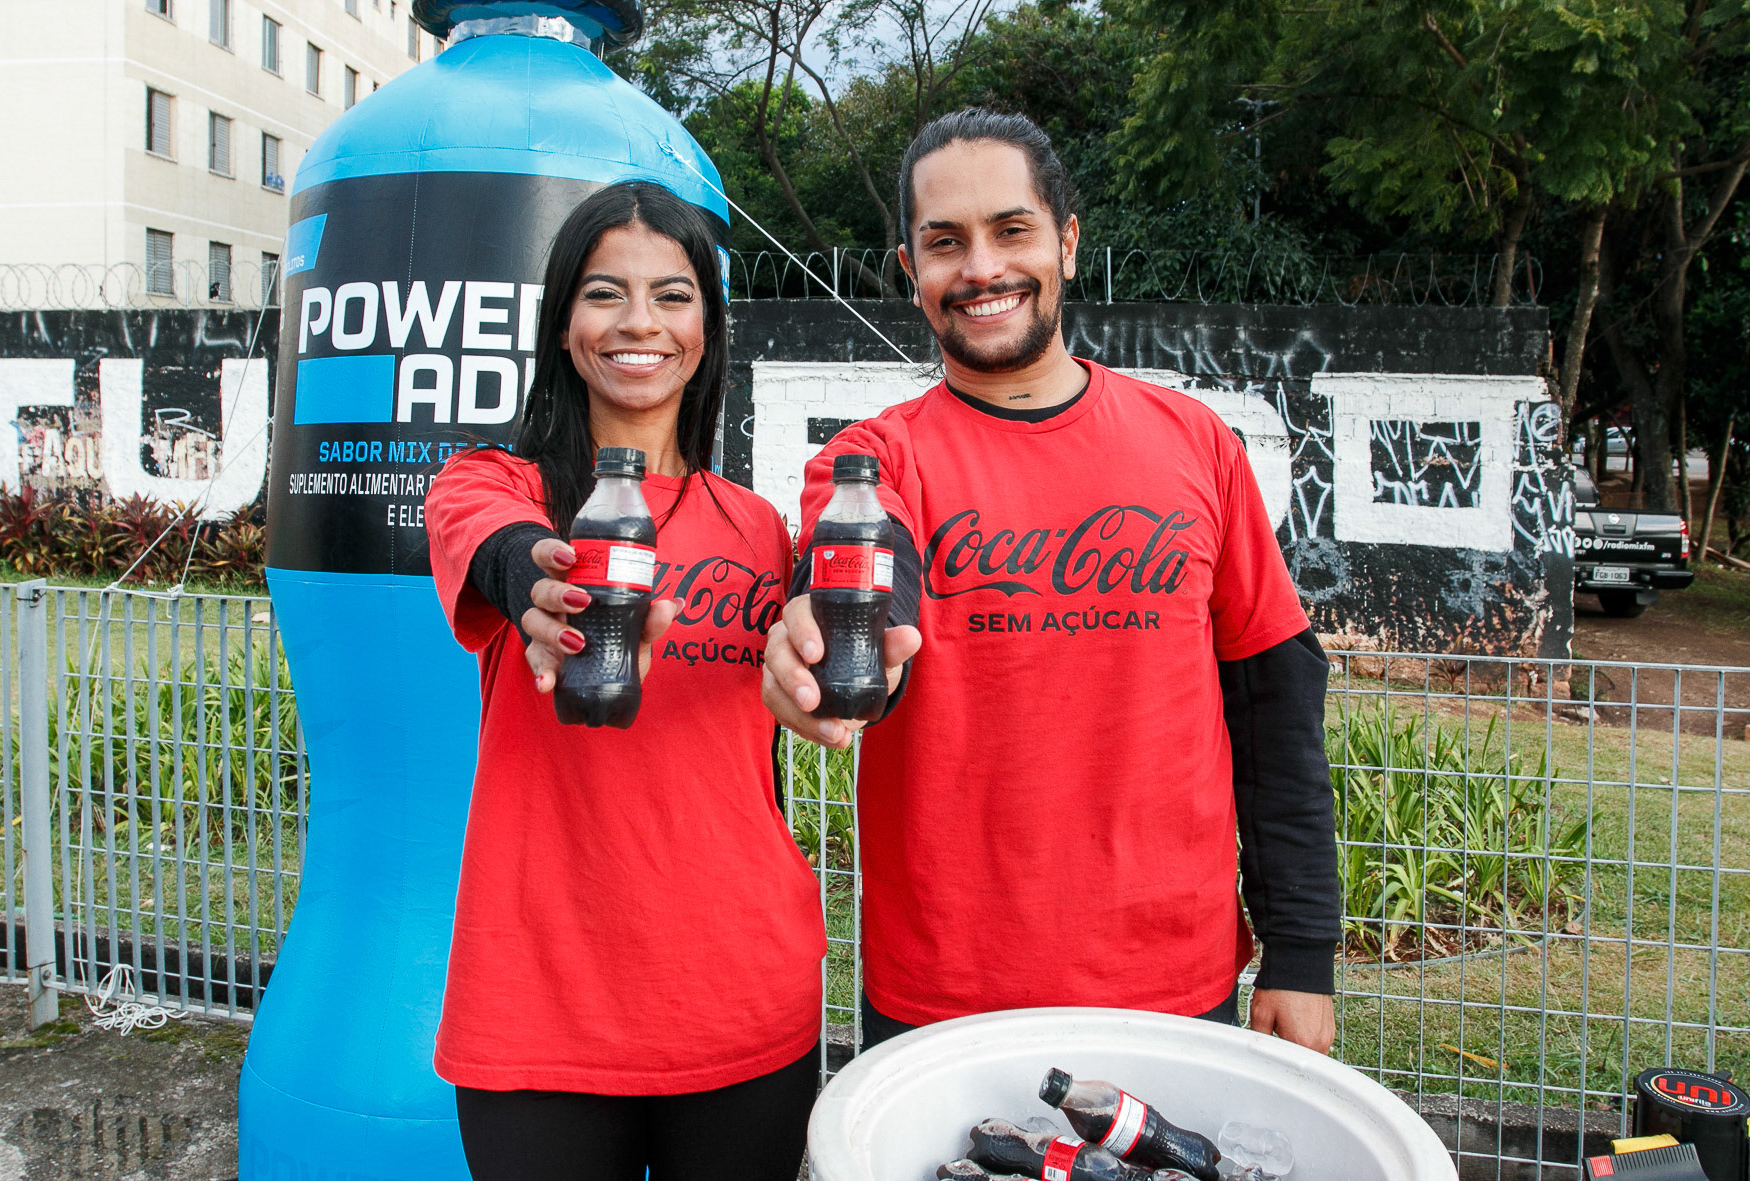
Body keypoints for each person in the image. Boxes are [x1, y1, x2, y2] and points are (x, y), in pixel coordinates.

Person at [762, 110, 1340, 1054]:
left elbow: (1275, 705)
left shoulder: (1197, 444)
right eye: (945, 242)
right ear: (910, 269)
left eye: (1011, 229)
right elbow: (861, 577)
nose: (982, 267)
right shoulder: (872, 462)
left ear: (1067, 243)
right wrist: (840, 643)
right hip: (942, 996)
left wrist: (1302, 950)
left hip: (1172, 985)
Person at [425, 181, 826, 1181]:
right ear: (564, 328)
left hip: (744, 989)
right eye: (605, 293)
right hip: (538, 1001)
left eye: (672, 295)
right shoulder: (493, 484)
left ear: (708, 330)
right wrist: (544, 590)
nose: (639, 321)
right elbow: (504, 552)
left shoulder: (758, 526)